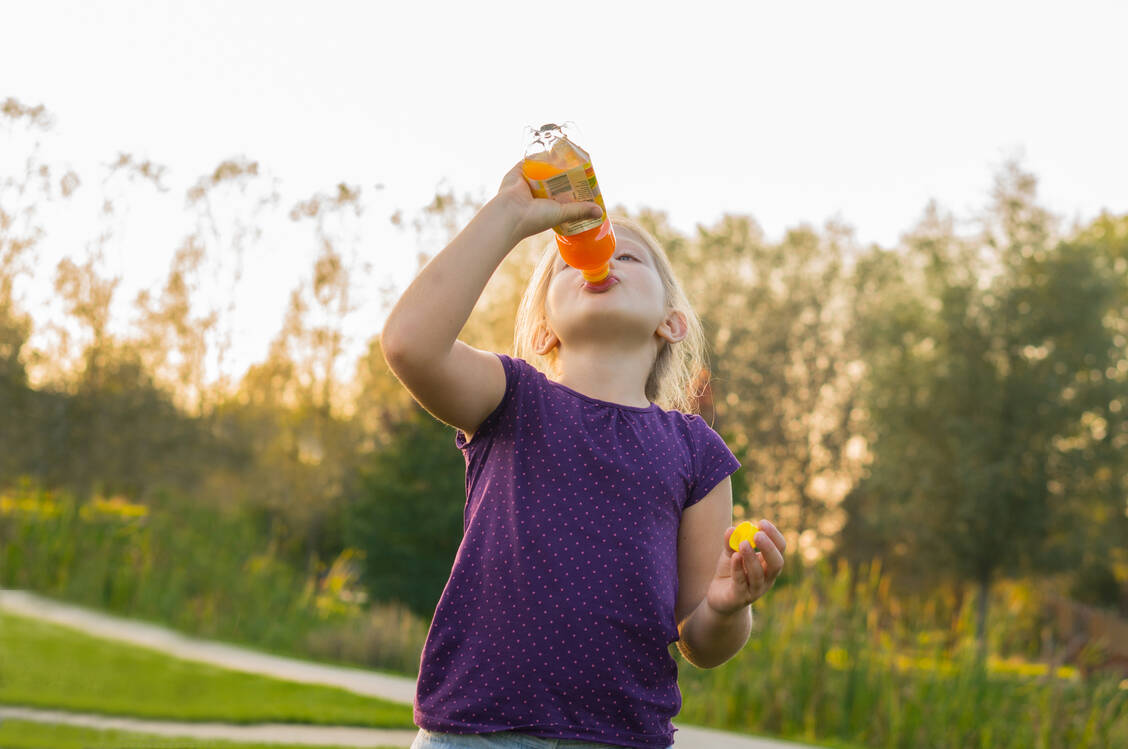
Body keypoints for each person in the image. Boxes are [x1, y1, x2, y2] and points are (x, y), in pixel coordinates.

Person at [381, 160, 787, 749]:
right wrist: (508, 214)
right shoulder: (513, 398)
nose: (600, 257)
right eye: (569, 259)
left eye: (630, 257)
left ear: (672, 323)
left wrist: (727, 608)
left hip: (620, 738)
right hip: (477, 730)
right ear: (543, 330)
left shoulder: (697, 452)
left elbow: (700, 640)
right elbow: (409, 344)